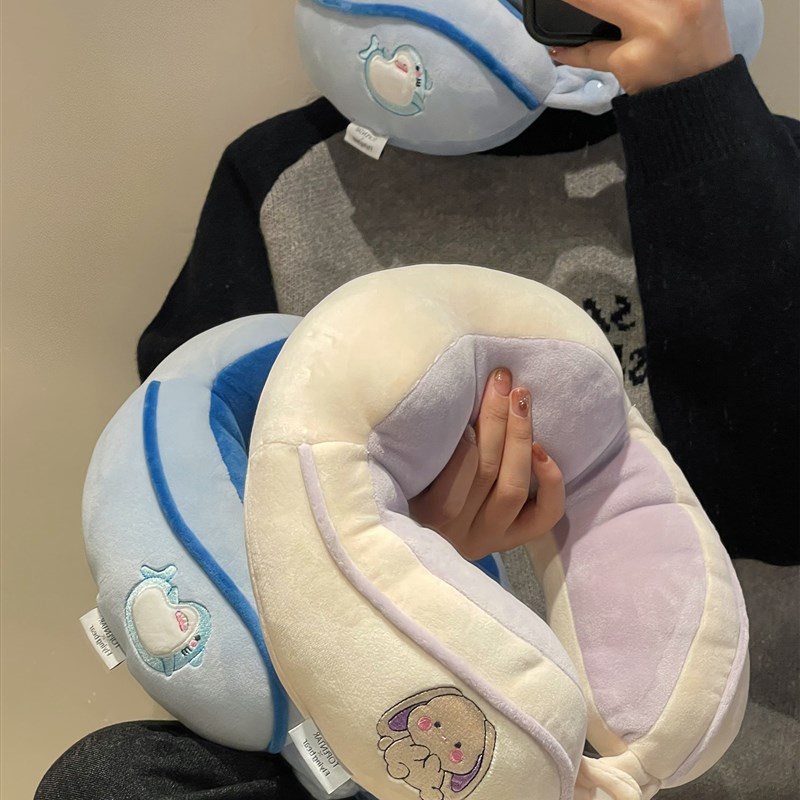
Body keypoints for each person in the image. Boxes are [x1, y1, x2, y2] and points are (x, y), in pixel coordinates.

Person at [37, 0, 799, 796]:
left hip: (714, 764)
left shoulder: (759, 159)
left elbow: (778, 506)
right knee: (111, 779)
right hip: (412, 758)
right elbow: (203, 541)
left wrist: (699, 105)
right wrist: (394, 549)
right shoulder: (283, 183)